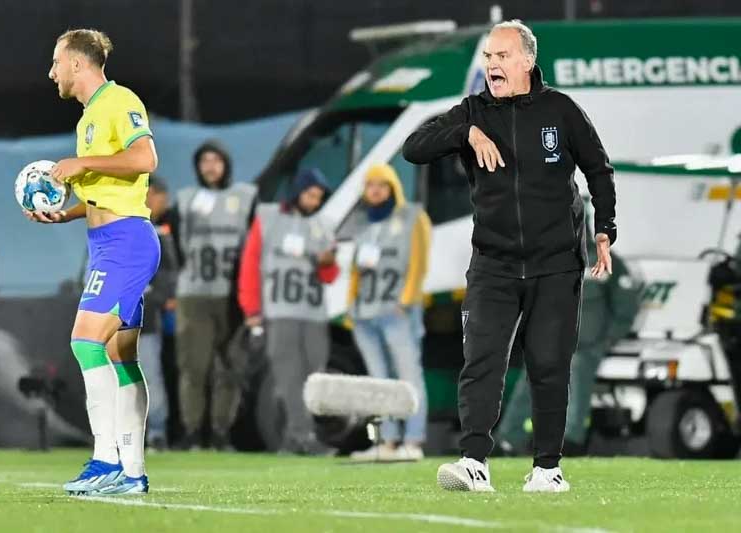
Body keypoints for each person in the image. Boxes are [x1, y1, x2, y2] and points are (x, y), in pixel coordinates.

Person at [403, 20, 616, 492]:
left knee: (548, 364)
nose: (492, 65)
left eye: (501, 57)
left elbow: (599, 170)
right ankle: (474, 462)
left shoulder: (561, 110)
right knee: (481, 359)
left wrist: (605, 230)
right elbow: (413, 148)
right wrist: (466, 130)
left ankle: (547, 469)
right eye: (488, 58)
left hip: (557, 262)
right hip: (493, 263)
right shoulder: (473, 111)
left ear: (526, 61)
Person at [26, 29, 159, 495]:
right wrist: (67, 211)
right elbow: (104, 187)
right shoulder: (88, 119)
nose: (52, 72)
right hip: (107, 241)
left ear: (78, 63)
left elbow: (145, 157)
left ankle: (106, 461)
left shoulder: (118, 100)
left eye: (56, 62)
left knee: (86, 342)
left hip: (127, 241)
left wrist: (81, 165)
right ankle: (134, 473)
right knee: (122, 357)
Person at [495, 226, 641, 455]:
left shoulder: (603, 259)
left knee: (578, 374)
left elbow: (626, 306)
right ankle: (508, 440)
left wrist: (608, 339)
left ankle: (570, 440)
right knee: (530, 380)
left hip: (588, 345)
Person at [237, 168, 339, 454]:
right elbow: (250, 265)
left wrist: (328, 262)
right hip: (281, 313)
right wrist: (252, 310)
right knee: (288, 377)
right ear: (297, 191)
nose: (314, 202)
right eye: (310, 195)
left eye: (319, 197)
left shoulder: (324, 223)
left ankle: (294, 440)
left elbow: (330, 276)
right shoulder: (268, 218)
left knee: (312, 378)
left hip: (314, 315)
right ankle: (302, 437)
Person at [169, 141, 256, 450]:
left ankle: (221, 432)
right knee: (194, 367)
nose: (210, 166)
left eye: (216, 159)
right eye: (204, 160)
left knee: (230, 368)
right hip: (194, 293)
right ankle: (192, 431)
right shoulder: (186, 200)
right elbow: (173, 247)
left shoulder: (245, 198)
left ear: (226, 163)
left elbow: (254, 246)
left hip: (231, 294)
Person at [347, 164, 431, 462]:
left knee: (408, 375)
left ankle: (413, 439)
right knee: (378, 379)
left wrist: (406, 300)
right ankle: (387, 441)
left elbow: (418, 262)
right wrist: (350, 305)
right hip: (364, 313)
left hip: (397, 310)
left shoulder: (411, 216)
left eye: (382, 184)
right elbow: (356, 270)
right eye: (370, 184)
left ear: (393, 186)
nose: (376, 189)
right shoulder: (363, 222)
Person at [139, 175, 178, 451]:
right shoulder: (117, 226)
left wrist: (156, 295)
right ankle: (113, 435)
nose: (164, 203)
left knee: (150, 376)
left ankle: (156, 432)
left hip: (146, 320)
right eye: (161, 196)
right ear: (149, 193)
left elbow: (168, 275)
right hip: (114, 319)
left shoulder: (161, 233)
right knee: (115, 378)